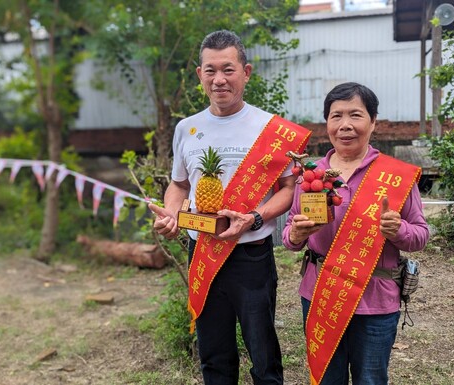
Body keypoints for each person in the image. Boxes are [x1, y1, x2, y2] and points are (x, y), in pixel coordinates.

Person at [149, 30, 310, 385]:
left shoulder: (271, 128)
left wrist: (256, 217)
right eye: (210, 70)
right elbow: (179, 184)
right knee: (213, 352)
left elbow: (287, 188)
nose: (219, 80)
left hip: (250, 255)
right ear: (199, 75)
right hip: (202, 251)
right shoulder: (186, 129)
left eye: (228, 69)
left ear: (246, 72)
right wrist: (173, 212)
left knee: (262, 352)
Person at [282, 82, 429, 385]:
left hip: (376, 300)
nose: (345, 125)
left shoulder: (396, 175)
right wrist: (296, 236)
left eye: (356, 115)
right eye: (336, 116)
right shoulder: (311, 174)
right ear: (327, 123)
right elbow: (289, 236)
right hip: (321, 294)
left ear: (373, 122)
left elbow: (420, 235)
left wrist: (397, 230)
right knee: (326, 378)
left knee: (371, 379)